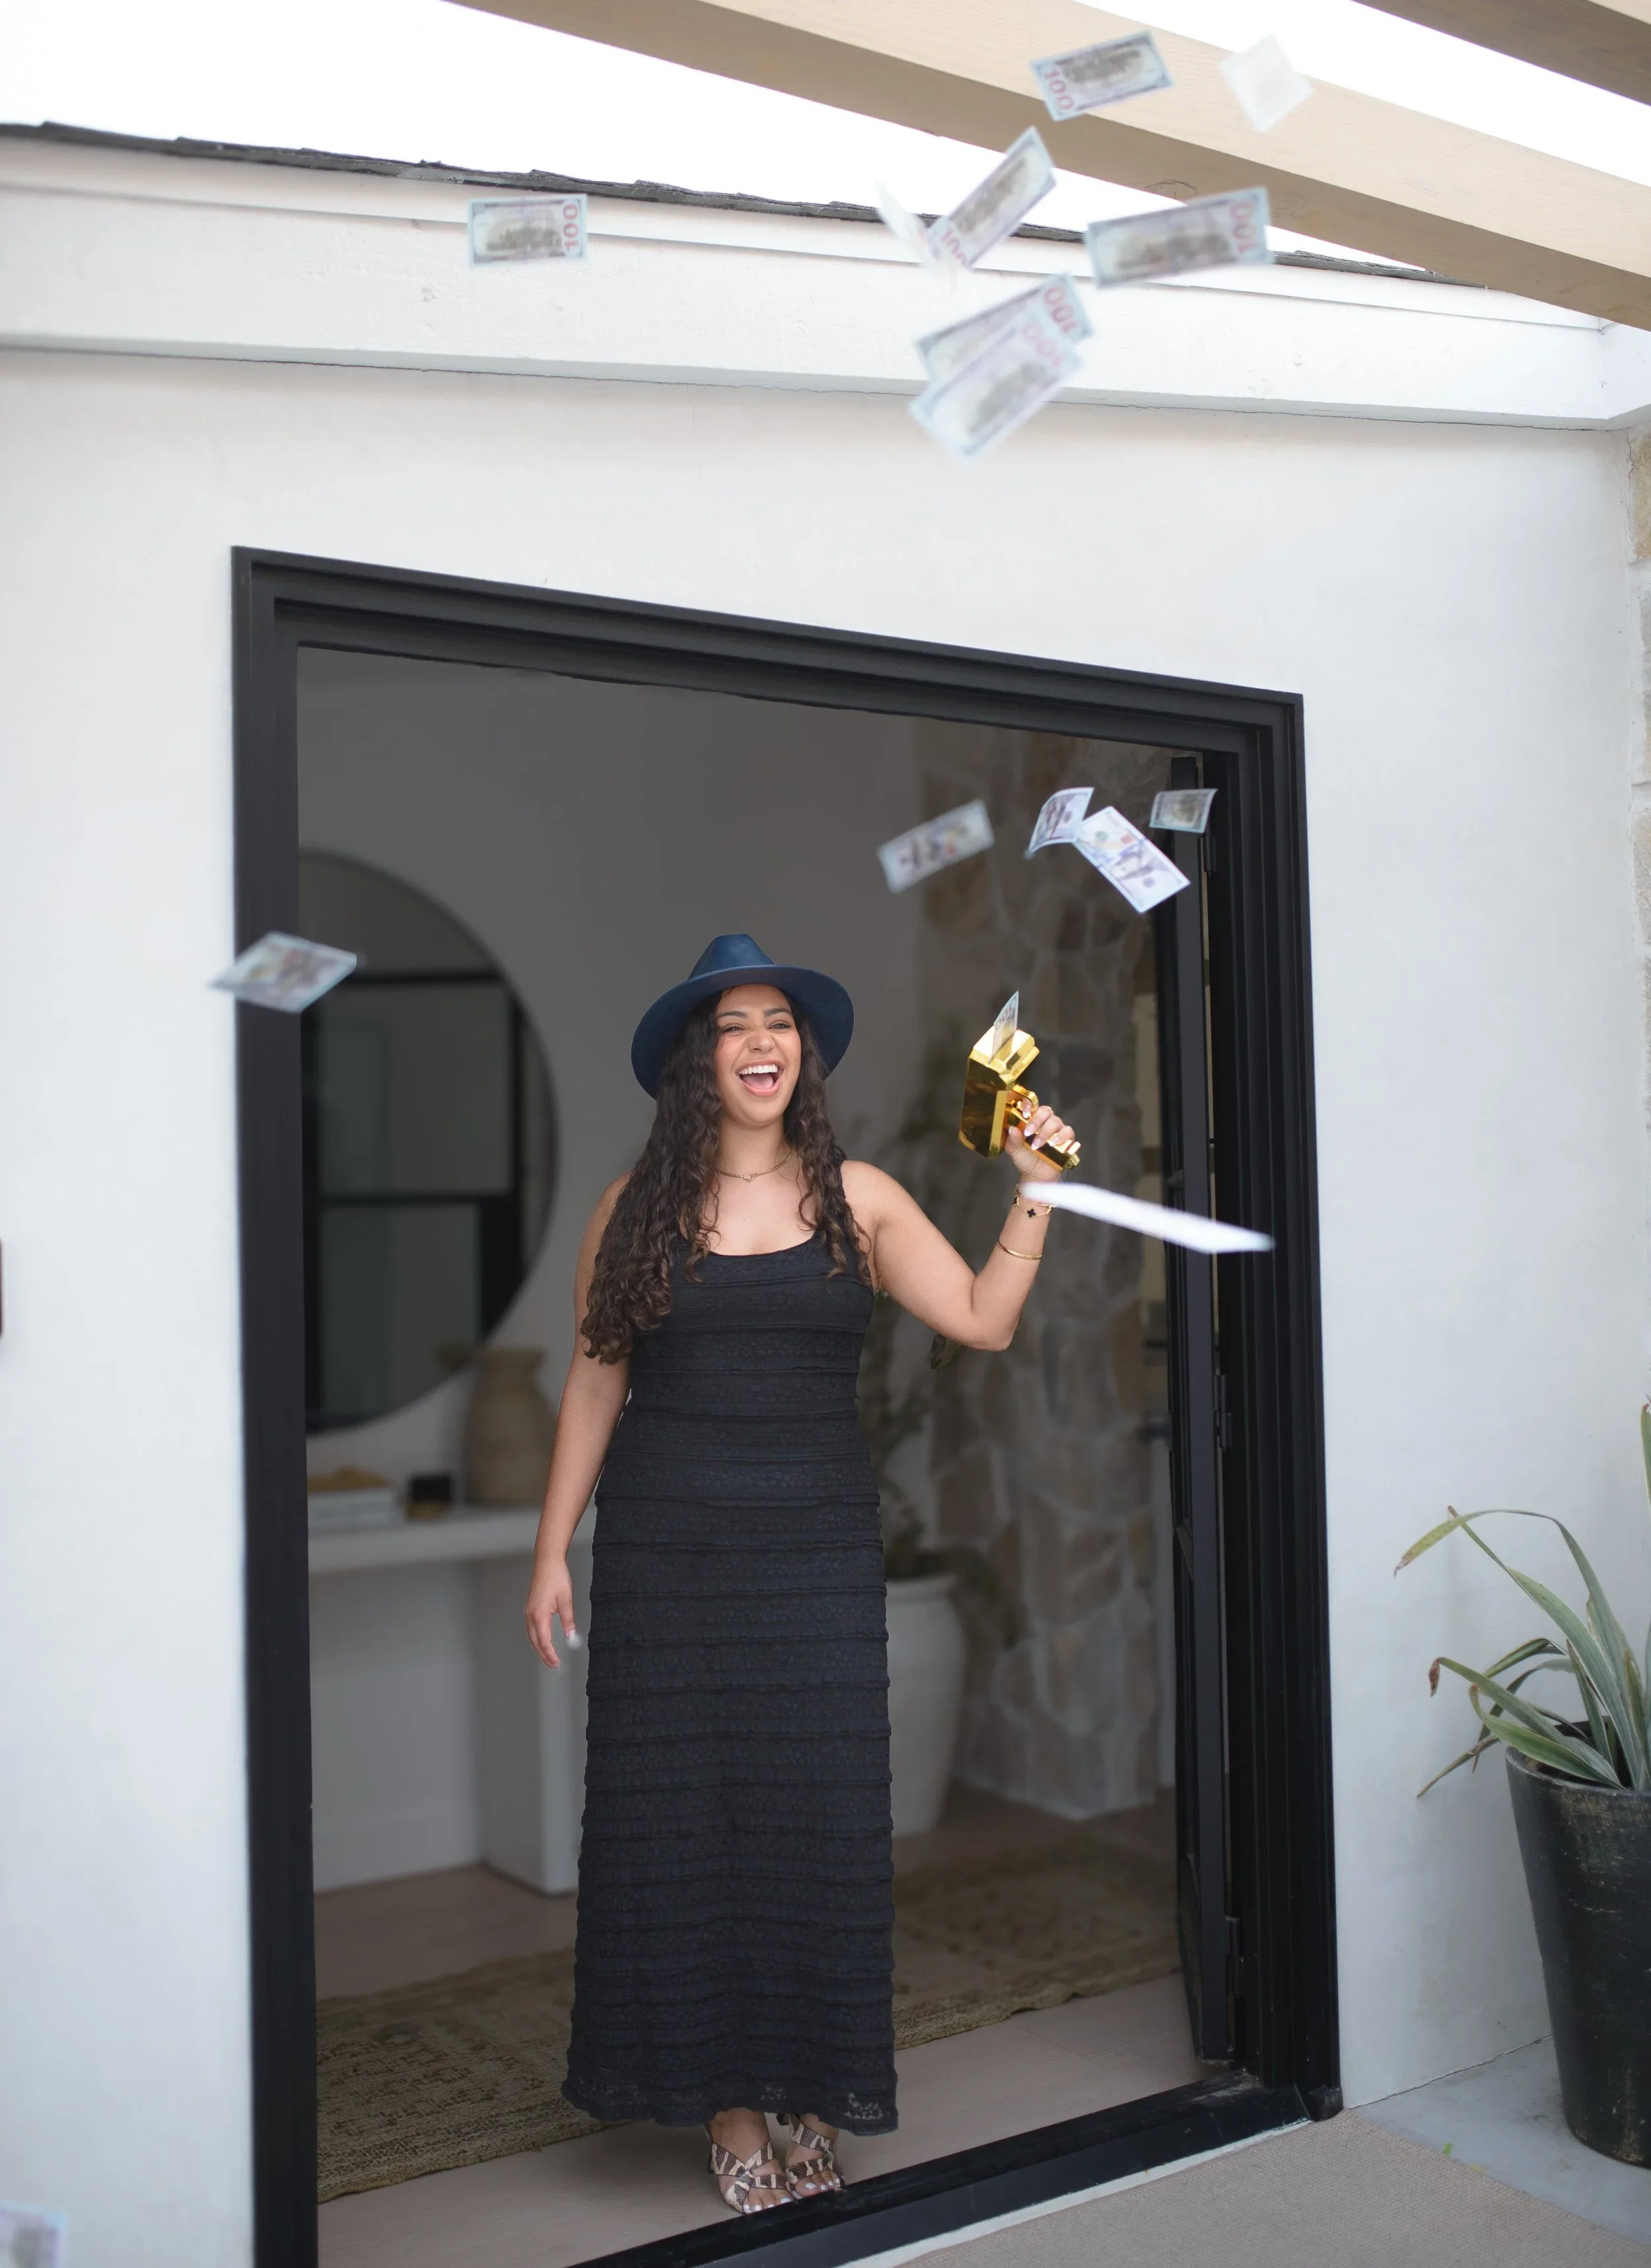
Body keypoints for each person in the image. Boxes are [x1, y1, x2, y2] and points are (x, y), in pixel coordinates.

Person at [524, 934, 1074, 2216]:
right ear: (694, 1060)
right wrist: (551, 1547)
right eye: (733, 1025)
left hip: (815, 1562)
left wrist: (1033, 1187)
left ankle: (809, 2089)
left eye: (779, 1021)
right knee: (684, 1828)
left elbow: (983, 1321)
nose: (761, 1040)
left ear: (802, 1056)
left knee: (815, 1820)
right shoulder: (633, 1209)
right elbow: (596, 1380)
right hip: (668, 1562)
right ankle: (726, 2104)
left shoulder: (862, 1198)